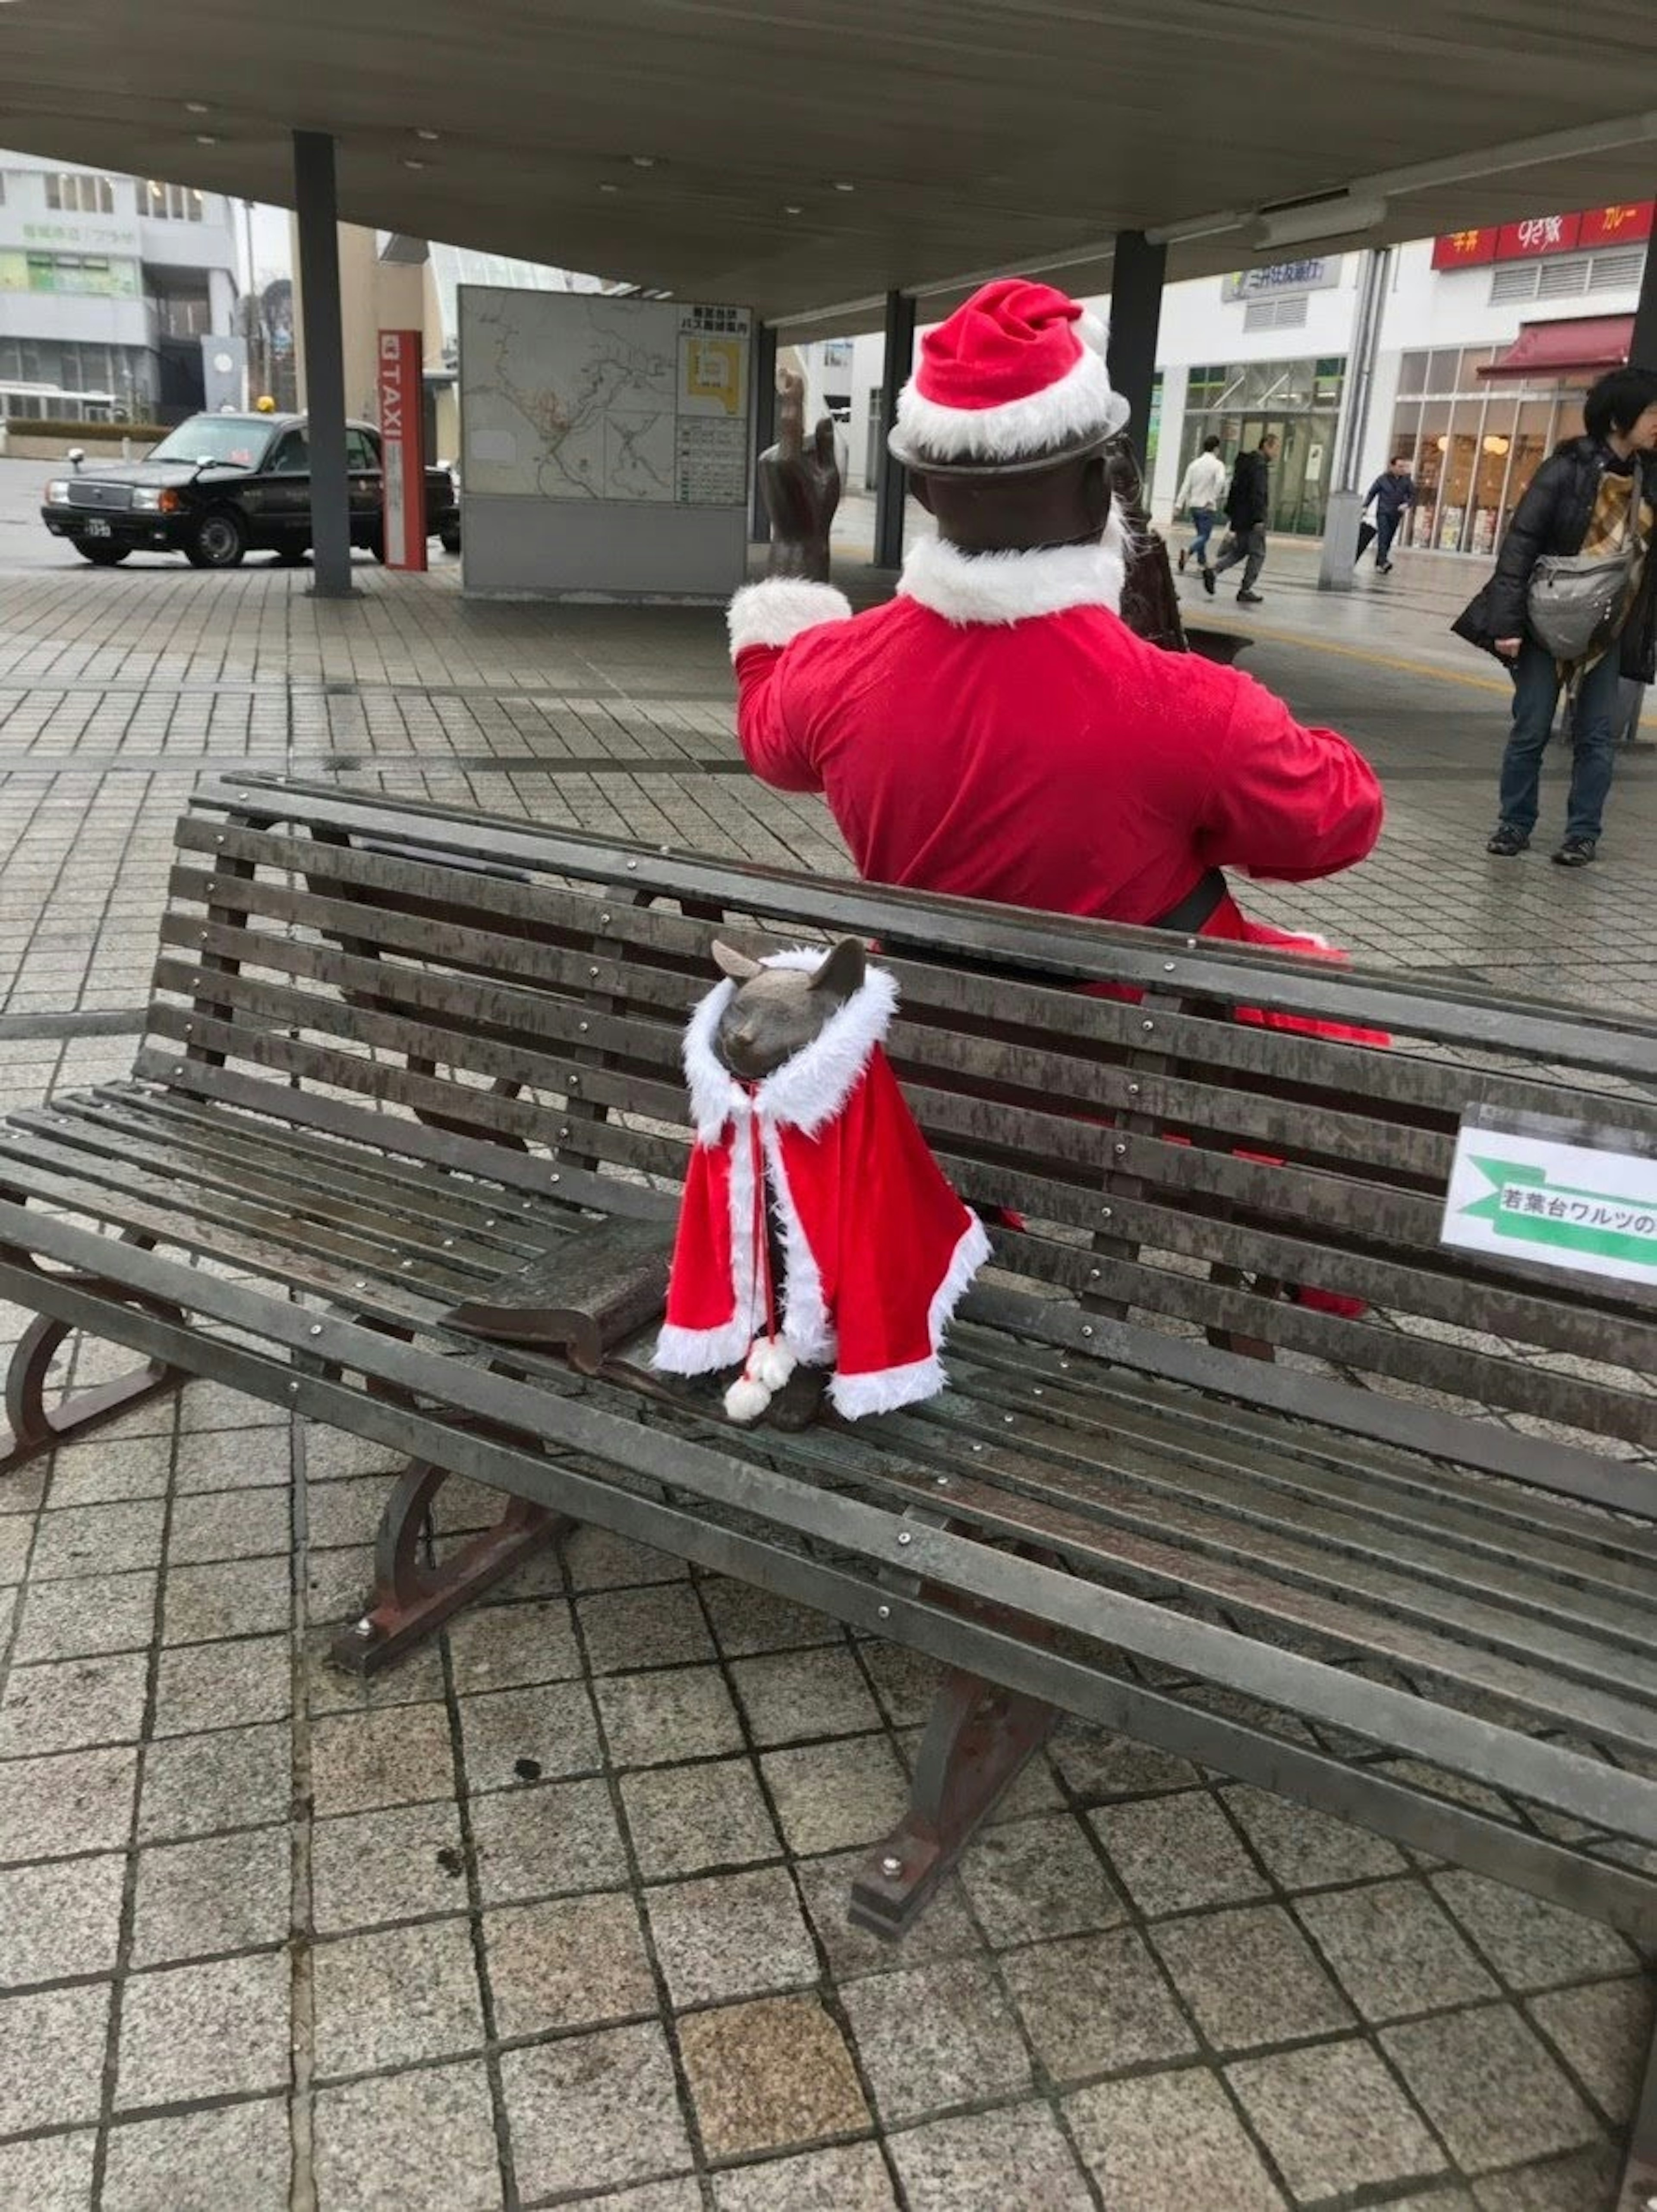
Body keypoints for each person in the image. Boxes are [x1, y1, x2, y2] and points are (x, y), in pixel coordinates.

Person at [727, 278, 1380, 962]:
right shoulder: (1195, 710)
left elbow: (768, 734)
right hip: (1144, 1053)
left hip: (923, 1040)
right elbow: (1342, 819)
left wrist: (800, 542)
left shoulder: (837, 673)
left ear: (920, 490)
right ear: (1104, 487)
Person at [1452, 365, 1657, 867]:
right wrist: (1505, 625)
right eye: (1652, 412)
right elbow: (1520, 546)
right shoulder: (1565, 469)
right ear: (1618, 418)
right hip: (1546, 620)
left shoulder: (1651, 478)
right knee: (1532, 727)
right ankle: (1515, 823)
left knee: (1596, 735)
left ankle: (1582, 834)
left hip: (1609, 626)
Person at [1206, 432, 1277, 605]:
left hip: (1241, 517)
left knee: (1240, 550)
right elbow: (1258, 494)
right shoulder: (1259, 466)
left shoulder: (1246, 463)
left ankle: (1215, 570)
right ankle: (1246, 589)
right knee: (1258, 554)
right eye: (1276, 448)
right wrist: (1259, 519)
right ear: (1266, 445)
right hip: (1253, 519)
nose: (1277, 453)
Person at [1174, 434, 1227, 576]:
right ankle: (1189, 550)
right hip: (1207, 506)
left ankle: (1201, 563)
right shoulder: (1218, 465)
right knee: (1205, 536)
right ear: (1216, 449)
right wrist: (1213, 498)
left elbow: (1186, 485)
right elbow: (1221, 481)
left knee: (1200, 534)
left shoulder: (1194, 465)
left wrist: (1179, 505)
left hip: (1194, 505)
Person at [1359, 456, 1416, 573]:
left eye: (1404, 467)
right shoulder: (1383, 479)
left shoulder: (1406, 480)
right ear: (1393, 466)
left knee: (1389, 538)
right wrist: (1365, 506)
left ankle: (1380, 562)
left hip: (1396, 513)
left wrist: (1407, 504)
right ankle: (1384, 562)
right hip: (1383, 512)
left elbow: (1413, 496)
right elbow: (1372, 493)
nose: (1402, 469)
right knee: (1383, 536)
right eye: (1400, 466)